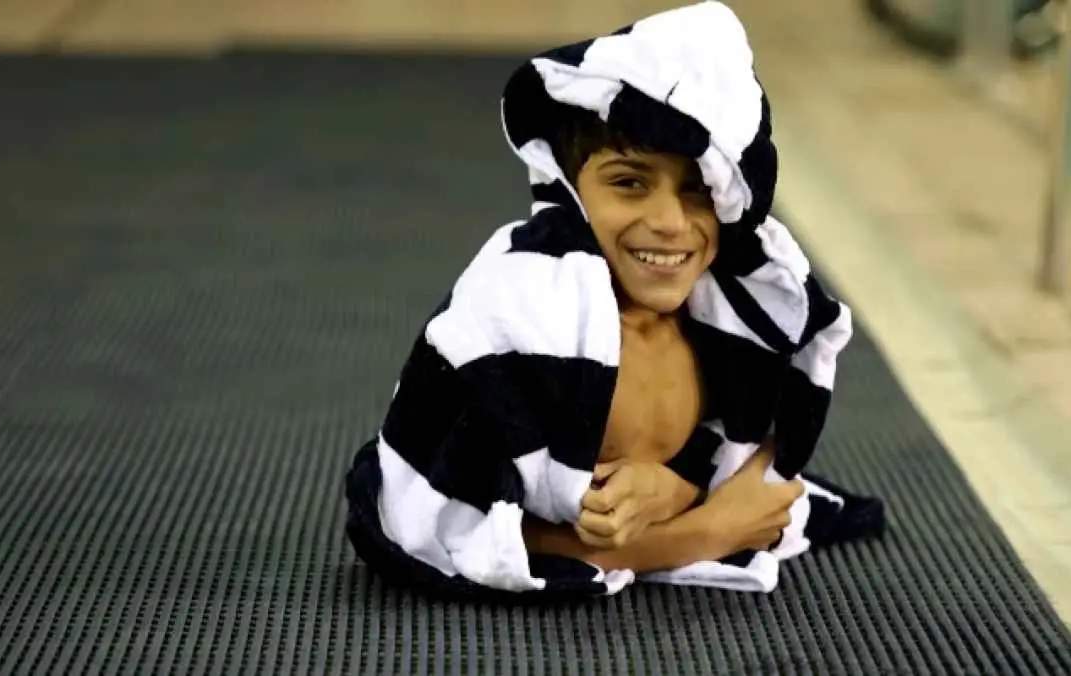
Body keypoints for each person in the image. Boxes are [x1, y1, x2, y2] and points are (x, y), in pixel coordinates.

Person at [345, 1, 885, 599]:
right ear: (572, 187)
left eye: (700, 190)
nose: (670, 222)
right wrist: (703, 533)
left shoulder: (733, 314)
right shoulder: (515, 316)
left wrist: (672, 486)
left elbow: (756, 458)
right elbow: (430, 523)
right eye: (629, 182)